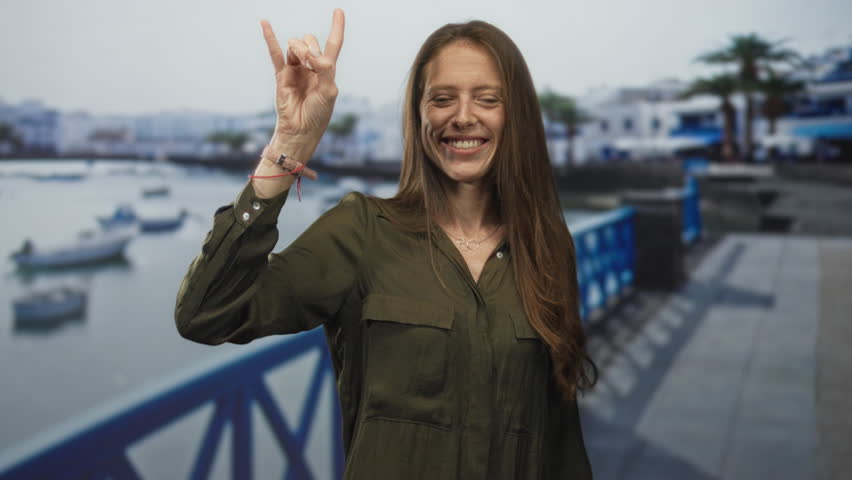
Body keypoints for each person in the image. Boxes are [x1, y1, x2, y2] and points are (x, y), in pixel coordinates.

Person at [175, 9, 597, 479]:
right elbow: (206, 315)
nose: (462, 117)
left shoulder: (547, 245)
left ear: (515, 115)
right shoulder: (363, 230)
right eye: (441, 99)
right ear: (418, 115)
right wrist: (287, 144)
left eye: (487, 99)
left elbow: (563, 443)